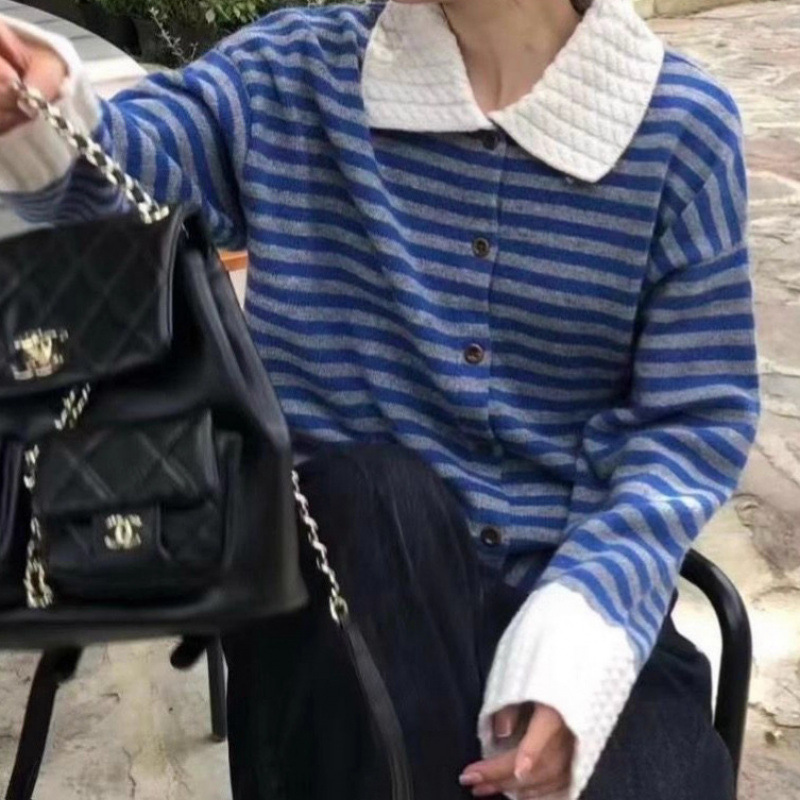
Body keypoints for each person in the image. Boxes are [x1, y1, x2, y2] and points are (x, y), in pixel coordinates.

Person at [0, 0, 759, 798]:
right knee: (371, 494)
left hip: (584, 600)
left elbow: (691, 419)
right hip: (347, 607)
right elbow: (124, 178)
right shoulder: (294, 73)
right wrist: (38, 108)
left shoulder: (680, 133)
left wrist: (588, 622)